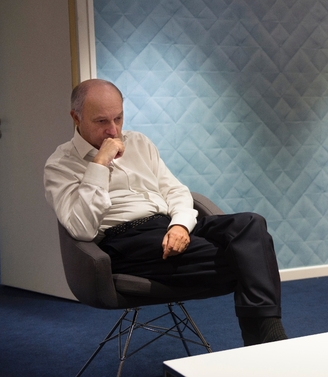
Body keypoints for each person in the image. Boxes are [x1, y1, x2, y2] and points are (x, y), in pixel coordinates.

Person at [44, 79, 287, 346]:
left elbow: (176, 191)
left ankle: (264, 338)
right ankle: (268, 340)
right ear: (75, 117)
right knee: (252, 258)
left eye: (118, 118)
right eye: (101, 121)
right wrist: (99, 162)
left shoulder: (139, 143)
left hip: (167, 225)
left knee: (251, 224)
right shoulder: (60, 164)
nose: (113, 131)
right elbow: (81, 228)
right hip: (126, 240)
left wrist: (180, 225)